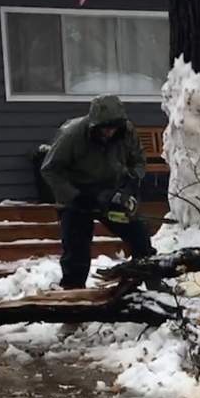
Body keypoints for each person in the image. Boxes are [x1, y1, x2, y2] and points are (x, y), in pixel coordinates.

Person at [41, 94, 153, 289]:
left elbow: (138, 162)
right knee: (76, 248)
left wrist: (129, 184)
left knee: (139, 236)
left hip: (112, 192)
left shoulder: (127, 133)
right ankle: (73, 290)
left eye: (113, 127)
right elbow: (50, 170)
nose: (109, 132)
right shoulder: (72, 135)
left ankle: (151, 280)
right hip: (77, 194)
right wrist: (75, 197)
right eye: (104, 128)